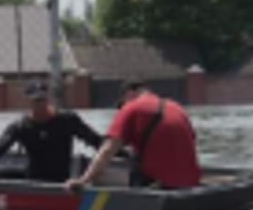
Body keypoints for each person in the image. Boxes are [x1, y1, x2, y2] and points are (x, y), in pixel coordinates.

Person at [0, 79, 104, 183]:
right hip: (33, 179)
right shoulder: (21, 126)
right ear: (28, 101)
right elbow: (0, 147)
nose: (40, 105)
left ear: (48, 99)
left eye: (42, 100)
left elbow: (94, 140)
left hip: (61, 180)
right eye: (36, 101)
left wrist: (119, 152)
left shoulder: (67, 120)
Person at [66, 80, 201, 192]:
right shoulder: (176, 107)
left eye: (121, 105)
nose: (121, 108)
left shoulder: (132, 108)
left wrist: (83, 180)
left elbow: (107, 150)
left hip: (159, 187)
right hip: (190, 184)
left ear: (129, 94)